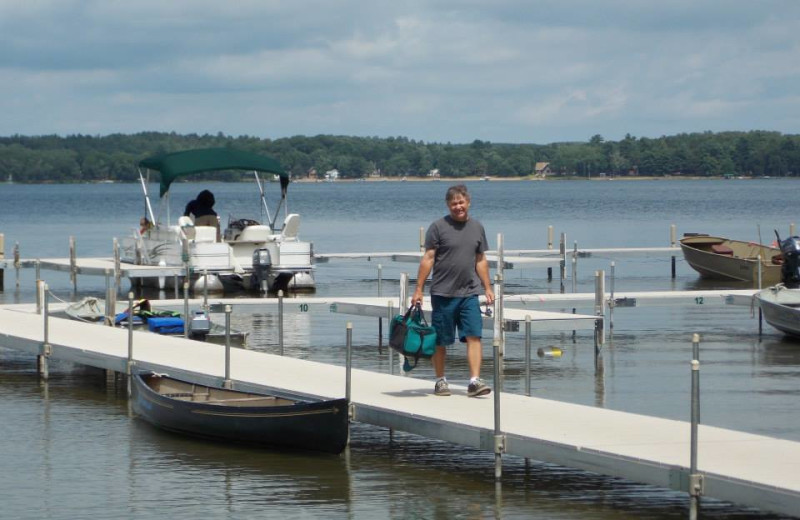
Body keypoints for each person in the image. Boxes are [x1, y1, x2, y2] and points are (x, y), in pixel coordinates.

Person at [412, 184, 495, 397]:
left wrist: (487, 287)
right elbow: (428, 259)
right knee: (440, 339)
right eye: (453, 203)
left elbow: (481, 260)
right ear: (448, 205)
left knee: (474, 335)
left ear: (468, 202)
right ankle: (440, 380)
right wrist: (418, 289)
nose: (458, 206)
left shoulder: (477, 227)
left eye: (461, 202)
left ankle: (475, 381)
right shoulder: (438, 227)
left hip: (469, 293)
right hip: (443, 293)